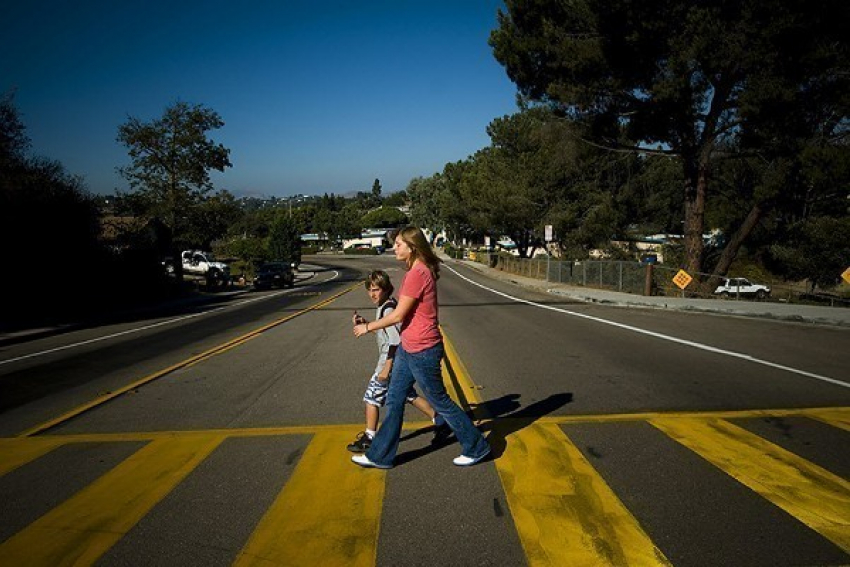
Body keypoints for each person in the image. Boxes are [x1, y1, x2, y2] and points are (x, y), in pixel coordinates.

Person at [351, 227, 491, 469]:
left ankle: (477, 447)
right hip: (408, 346)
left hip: (423, 349)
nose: (394, 248)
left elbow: (398, 315)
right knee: (394, 400)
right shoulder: (415, 271)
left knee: (440, 401)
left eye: (398, 244)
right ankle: (380, 456)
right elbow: (404, 316)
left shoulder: (418, 273)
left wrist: (369, 327)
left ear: (411, 247)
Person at [347, 270, 448, 452]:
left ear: (386, 289)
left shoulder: (389, 309)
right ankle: (440, 420)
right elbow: (385, 332)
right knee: (409, 395)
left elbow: (395, 342)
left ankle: (370, 437)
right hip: (397, 363)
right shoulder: (387, 306)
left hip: (389, 364)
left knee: (372, 398)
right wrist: (367, 323)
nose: (372, 294)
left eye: (376, 290)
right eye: (369, 290)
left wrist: (385, 371)